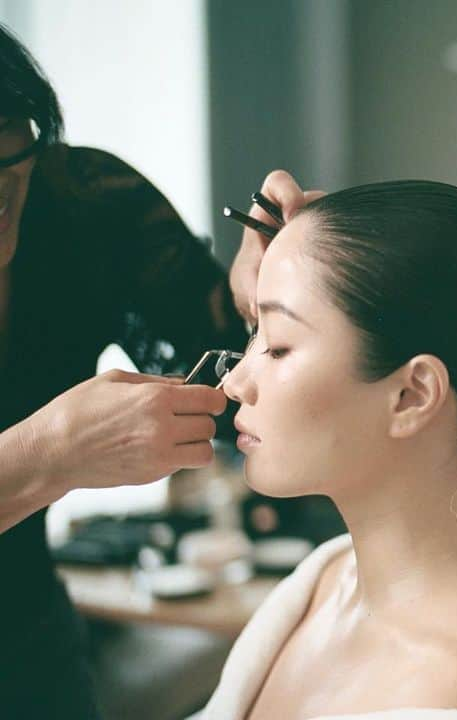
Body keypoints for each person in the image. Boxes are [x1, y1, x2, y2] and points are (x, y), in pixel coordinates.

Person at [199, 179, 457, 719]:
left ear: (411, 395)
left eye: (276, 346)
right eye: (252, 334)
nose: (233, 383)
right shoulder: (326, 576)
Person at [0, 24, 245, 717]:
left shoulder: (87, 207)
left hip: (30, 641)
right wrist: (47, 452)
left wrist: (271, 295)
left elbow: (238, 385)